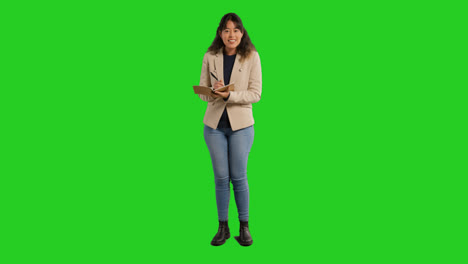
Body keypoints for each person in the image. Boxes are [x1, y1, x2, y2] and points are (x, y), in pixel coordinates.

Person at [197, 13, 262, 247]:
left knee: (239, 176)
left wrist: (229, 95)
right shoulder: (210, 56)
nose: (230, 34)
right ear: (220, 33)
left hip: (241, 127)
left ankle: (244, 226)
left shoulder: (251, 57)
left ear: (242, 33)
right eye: (226, 30)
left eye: (235, 30)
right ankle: (222, 227)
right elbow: (203, 92)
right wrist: (211, 91)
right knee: (221, 178)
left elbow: (256, 93)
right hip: (214, 126)